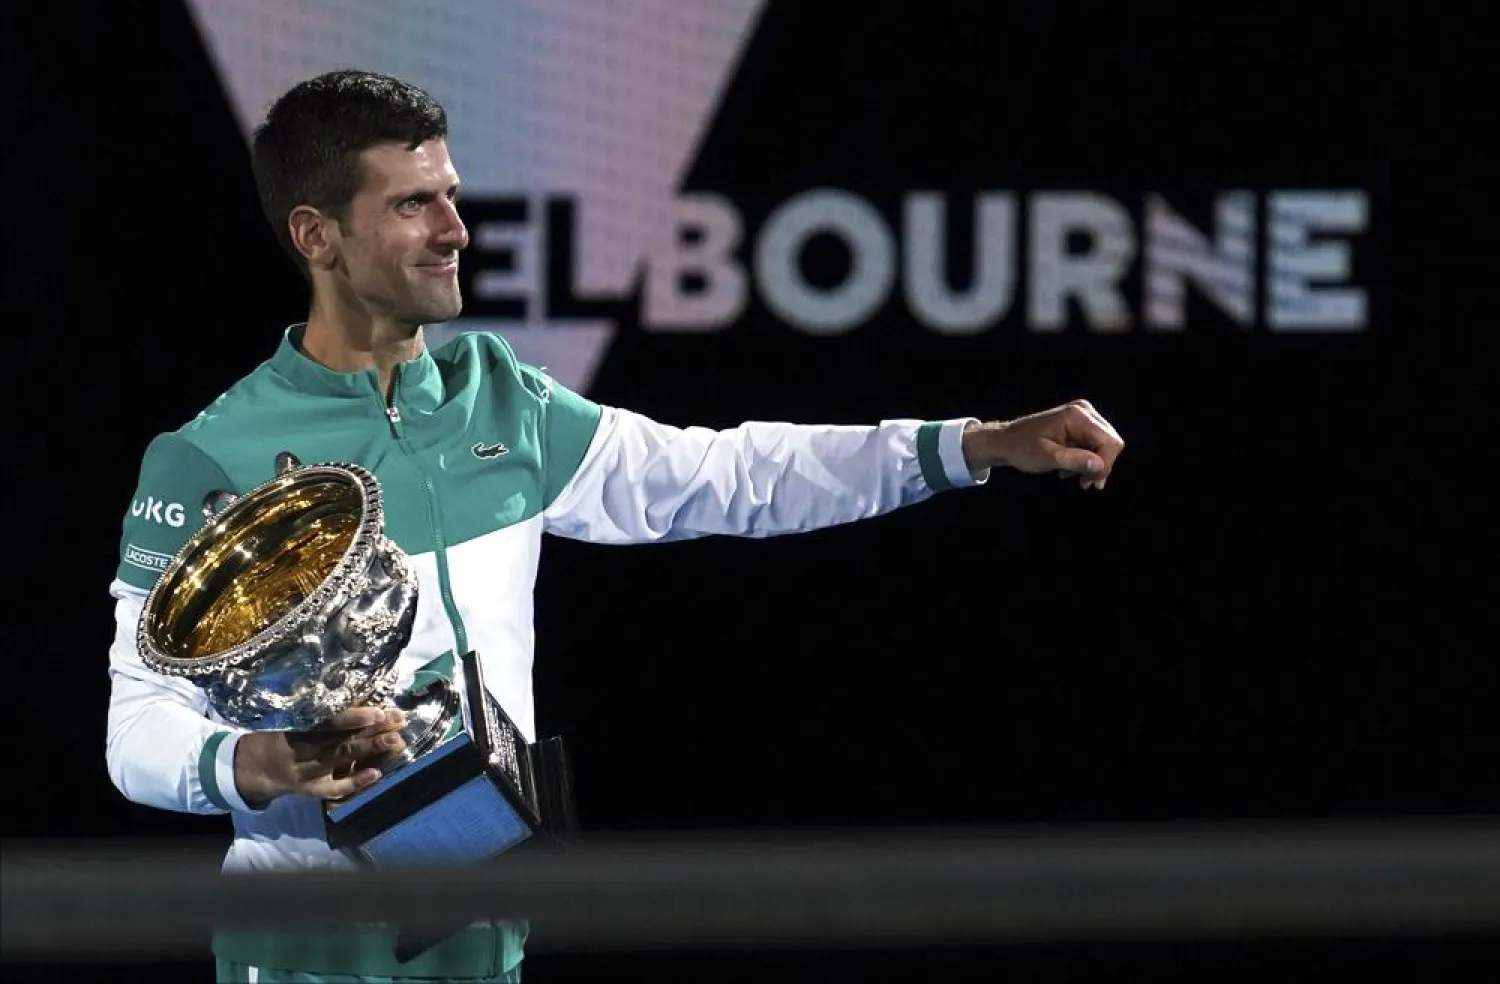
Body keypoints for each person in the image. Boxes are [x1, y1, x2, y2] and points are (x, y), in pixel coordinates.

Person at [105, 69, 1124, 983]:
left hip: (481, 924)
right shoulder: (206, 457)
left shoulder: (499, 397)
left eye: (451, 196)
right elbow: (136, 727)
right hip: (305, 943)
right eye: (413, 206)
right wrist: (262, 766)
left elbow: (726, 474)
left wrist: (969, 446)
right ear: (316, 235)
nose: (455, 230)